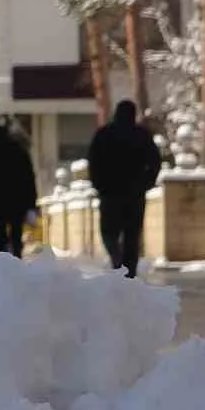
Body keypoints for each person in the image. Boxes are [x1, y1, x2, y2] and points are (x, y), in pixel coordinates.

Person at [86, 99, 162, 278]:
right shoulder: (141, 135)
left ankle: (116, 257)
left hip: (110, 193)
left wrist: (98, 185)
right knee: (132, 235)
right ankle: (129, 271)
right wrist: (147, 183)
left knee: (108, 231)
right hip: (134, 194)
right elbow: (155, 162)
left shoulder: (104, 134)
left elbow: (93, 161)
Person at [0, 121, 39, 258]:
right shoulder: (20, 151)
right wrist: (31, 201)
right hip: (18, 200)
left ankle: (2, 258)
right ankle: (16, 257)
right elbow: (29, 178)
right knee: (16, 232)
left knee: (0, 233)